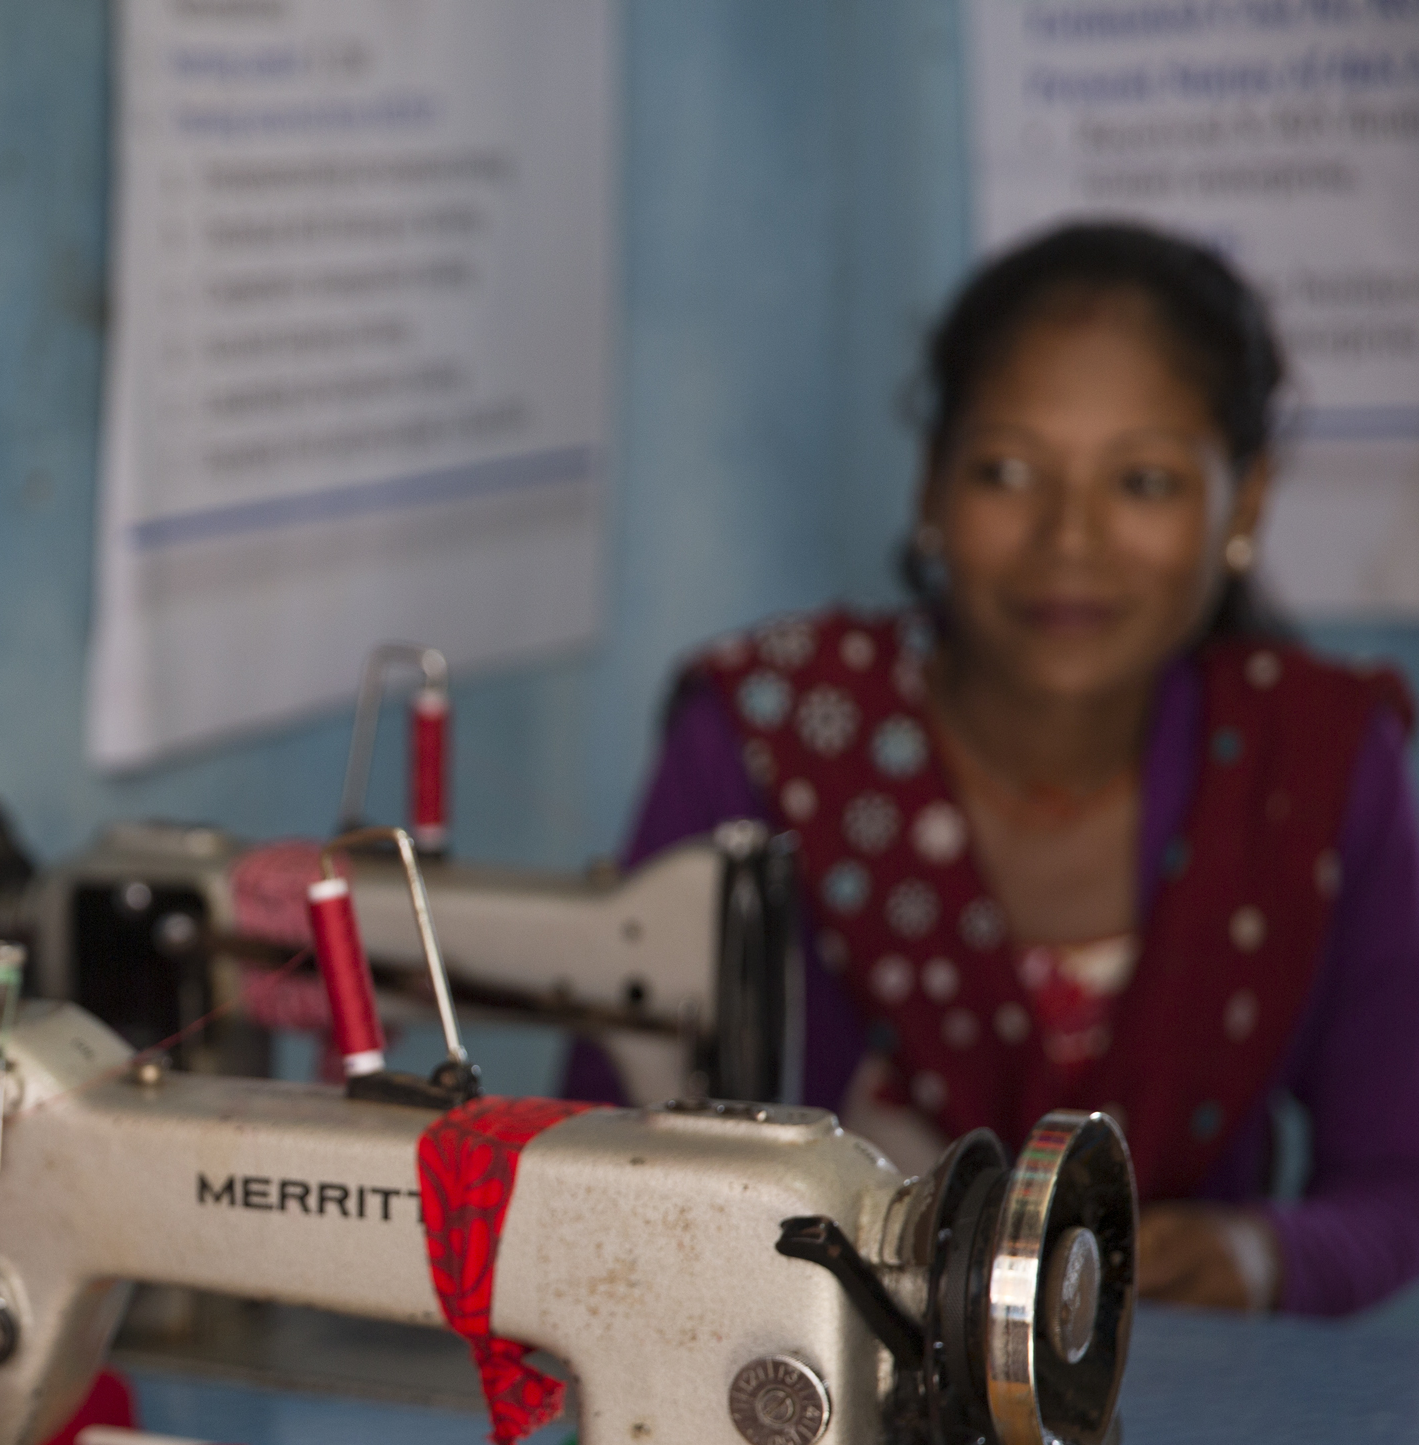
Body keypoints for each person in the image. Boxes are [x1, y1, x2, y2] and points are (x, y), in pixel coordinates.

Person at [592, 222, 1419, 1316]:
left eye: (1144, 480)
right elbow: (605, 1170)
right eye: (1007, 470)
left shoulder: (1313, 766)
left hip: (1187, 1421)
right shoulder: (766, 740)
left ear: (1246, 503)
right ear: (931, 487)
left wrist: (1258, 1257)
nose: (1069, 537)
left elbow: (1395, 1183)